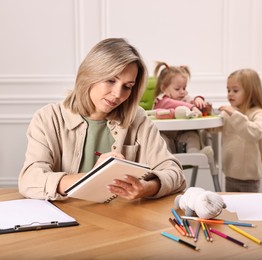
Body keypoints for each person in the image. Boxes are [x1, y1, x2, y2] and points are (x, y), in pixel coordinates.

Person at [18, 38, 186, 201]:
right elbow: (29, 180)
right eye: (110, 80)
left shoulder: (137, 119)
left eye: (127, 87)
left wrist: (145, 188)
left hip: (122, 222)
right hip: (66, 223)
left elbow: (175, 174)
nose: (118, 94)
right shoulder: (48, 118)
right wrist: (93, 178)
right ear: (90, 74)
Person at [209, 68, 262, 192]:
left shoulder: (258, 113)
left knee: (249, 209)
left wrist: (234, 115)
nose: (230, 94)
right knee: (233, 208)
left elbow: (255, 133)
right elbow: (213, 127)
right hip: (230, 175)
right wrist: (202, 114)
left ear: (251, 91)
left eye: (235, 90)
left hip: (250, 179)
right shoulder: (229, 113)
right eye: (228, 90)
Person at [152, 62, 215, 169]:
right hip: (168, 140)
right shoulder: (161, 100)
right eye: (177, 89)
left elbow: (192, 104)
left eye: (184, 88)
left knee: (192, 135)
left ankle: (195, 155)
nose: (182, 92)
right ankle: (168, 163)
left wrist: (198, 101)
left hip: (181, 140)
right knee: (161, 139)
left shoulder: (184, 98)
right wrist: (191, 107)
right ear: (164, 88)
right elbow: (171, 104)